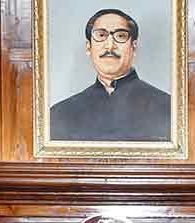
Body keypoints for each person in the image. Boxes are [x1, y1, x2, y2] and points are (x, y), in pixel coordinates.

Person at [49, 8, 171, 141]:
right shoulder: (60, 114)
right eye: (101, 35)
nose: (109, 46)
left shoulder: (168, 108)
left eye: (120, 36)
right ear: (89, 47)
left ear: (134, 47)